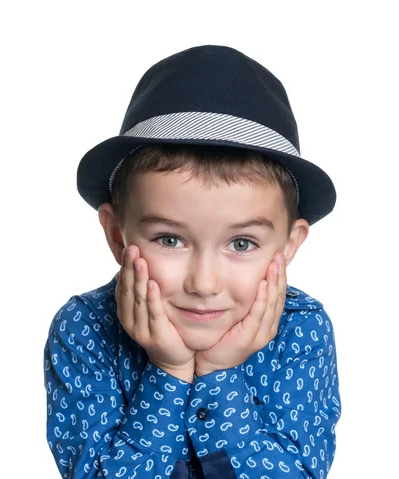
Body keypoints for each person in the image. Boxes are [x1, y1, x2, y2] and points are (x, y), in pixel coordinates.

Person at [44, 45, 341, 479]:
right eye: (170, 239)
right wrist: (170, 372)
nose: (203, 283)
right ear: (115, 234)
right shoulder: (86, 329)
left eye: (241, 244)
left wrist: (221, 374)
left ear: (289, 244)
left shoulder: (302, 330)